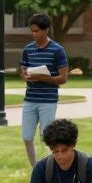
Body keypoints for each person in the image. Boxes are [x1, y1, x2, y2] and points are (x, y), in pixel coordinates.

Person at [18, 13, 69, 167]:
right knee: (26, 136)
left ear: (46, 30)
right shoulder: (28, 49)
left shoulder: (57, 50)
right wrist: (26, 76)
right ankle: (36, 169)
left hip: (48, 100)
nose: (34, 34)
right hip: (30, 99)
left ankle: (50, 169)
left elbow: (63, 78)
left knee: (46, 137)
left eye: (37, 31)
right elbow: (24, 71)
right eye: (32, 31)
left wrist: (43, 78)